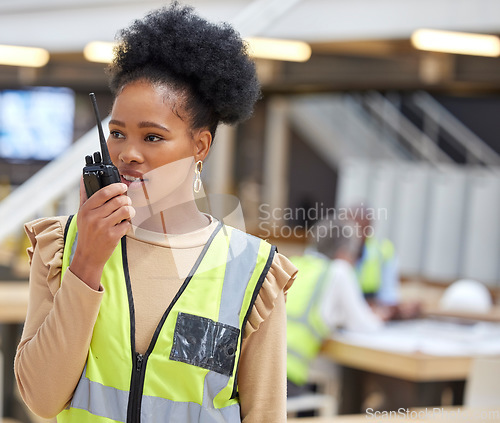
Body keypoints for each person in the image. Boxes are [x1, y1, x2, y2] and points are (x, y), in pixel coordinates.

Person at [14, 4, 296, 422]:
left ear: (200, 146)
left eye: (152, 136)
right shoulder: (61, 246)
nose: (129, 152)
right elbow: (40, 398)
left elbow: (265, 414)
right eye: (117, 133)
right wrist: (87, 263)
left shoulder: (252, 271)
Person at [286, 216, 383, 395]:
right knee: (332, 386)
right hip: (285, 378)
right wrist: (382, 316)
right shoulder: (339, 271)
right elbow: (367, 326)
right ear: (343, 253)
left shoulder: (293, 264)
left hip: (252, 370)